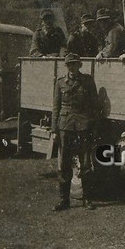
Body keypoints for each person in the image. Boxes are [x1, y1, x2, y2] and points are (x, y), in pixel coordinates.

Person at [51, 53, 99, 211]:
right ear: (66, 66)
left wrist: (93, 127)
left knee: (85, 163)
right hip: (65, 127)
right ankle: (64, 200)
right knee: (64, 163)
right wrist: (54, 130)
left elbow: (94, 105)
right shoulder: (60, 83)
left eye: (74, 64)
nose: (71, 67)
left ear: (79, 65)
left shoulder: (87, 81)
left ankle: (88, 199)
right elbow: (56, 108)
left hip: (83, 125)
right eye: (69, 65)